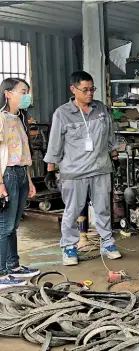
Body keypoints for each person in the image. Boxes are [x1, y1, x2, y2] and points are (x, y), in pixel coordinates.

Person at [43, 71, 121, 266]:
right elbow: (55, 144)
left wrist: (115, 157)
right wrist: (50, 169)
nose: (90, 93)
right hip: (74, 172)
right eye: (85, 90)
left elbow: (110, 136)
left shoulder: (100, 109)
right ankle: (69, 247)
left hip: (101, 169)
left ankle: (107, 243)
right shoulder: (62, 113)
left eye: (92, 89)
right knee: (72, 210)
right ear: (73, 89)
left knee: (103, 209)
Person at [0, 77, 40, 287]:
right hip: (7, 175)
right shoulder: (2, 119)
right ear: (8, 93)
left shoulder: (19, 119)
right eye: (22, 91)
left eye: (27, 91)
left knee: (13, 226)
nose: (26, 96)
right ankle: (1, 274)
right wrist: (0, 185)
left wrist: (30, 181)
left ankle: (14, 266)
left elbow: (24, 154)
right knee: (5, 226)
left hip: (21, 174)